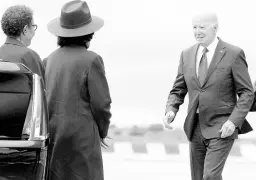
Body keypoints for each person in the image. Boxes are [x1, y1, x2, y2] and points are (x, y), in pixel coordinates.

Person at [163, 12, 254, 180]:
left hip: (222, 125)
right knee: (198, 177)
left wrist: (233, 121)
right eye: (194, 27)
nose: (197, 31)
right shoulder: (186, 54)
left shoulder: (233, 53)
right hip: (195, 125)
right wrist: (171, 110)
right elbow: (178, 89)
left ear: (215, 28)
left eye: (202, 27)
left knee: (211, 176)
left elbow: (247, 92)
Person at [44, 1, 112, 179]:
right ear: (89, 32)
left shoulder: (48, 61)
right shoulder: (92, 60)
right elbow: (102, 104)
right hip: (82, 141)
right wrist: (102, 132)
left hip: (53, 138)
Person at [0, 5, 45, 81]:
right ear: (25, 29)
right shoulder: (30, 56)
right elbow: (41, 90)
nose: (34, 32)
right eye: (33, 26)